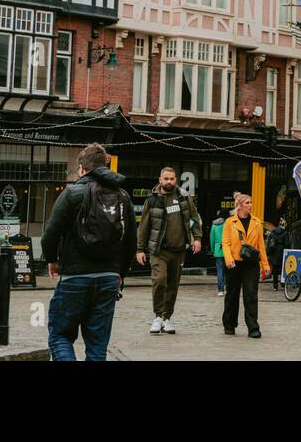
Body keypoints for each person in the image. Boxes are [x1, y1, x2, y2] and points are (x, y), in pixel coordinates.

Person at [40, 143, 136, 362]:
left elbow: (51, 234)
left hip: (75, 275)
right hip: (109, 277)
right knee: (97, 344)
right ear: (104, 166)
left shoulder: (72, 193)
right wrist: (121, 273)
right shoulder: (122, 196)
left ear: (82, 168)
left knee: (60, 335)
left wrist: (52, 260)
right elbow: (131, 241)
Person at [135, 167, 202, 335]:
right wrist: (140, 249)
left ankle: (167, 318)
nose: (169, 182)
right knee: (160, 280)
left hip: (179, 250)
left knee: (173, 285)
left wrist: (197, 238)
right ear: (160, 179)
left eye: (172, 179)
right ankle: (157, 316)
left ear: (176, 179)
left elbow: (195, 218)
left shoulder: (184, 197)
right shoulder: (152, 200)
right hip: (159, 250)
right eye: (166, 179)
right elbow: (143, 226)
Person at [221, 193, 270, 338]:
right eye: (247, 203)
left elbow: (261, 246)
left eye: (250, 203)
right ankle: (229, 324)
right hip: (234, 264)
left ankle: (253, 327)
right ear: (240, 205)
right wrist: (229, 259)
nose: (250, 205)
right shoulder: (230, 222)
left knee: (251, 295)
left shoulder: (256, 222)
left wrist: (265, 266)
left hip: (251, 264)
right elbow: (225, 243)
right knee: (232, 295)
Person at [268, 217, 289, 290]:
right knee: (283, 269)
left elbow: (269, 242)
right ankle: (283, 284)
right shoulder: (285, 233)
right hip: (282, 252)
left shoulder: (273, 232)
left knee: (275, 270)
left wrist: (269, 253)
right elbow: (287, 244)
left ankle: (275, 286)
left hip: (274, 252)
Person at [210, 210, 227, 296]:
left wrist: (213, 249)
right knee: (228, 270)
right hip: (227, 250)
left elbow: (212, 239)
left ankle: (220, 290)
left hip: (218, 250)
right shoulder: (227, 224)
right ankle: (228, 287)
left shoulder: (214, 225)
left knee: (220, 270)